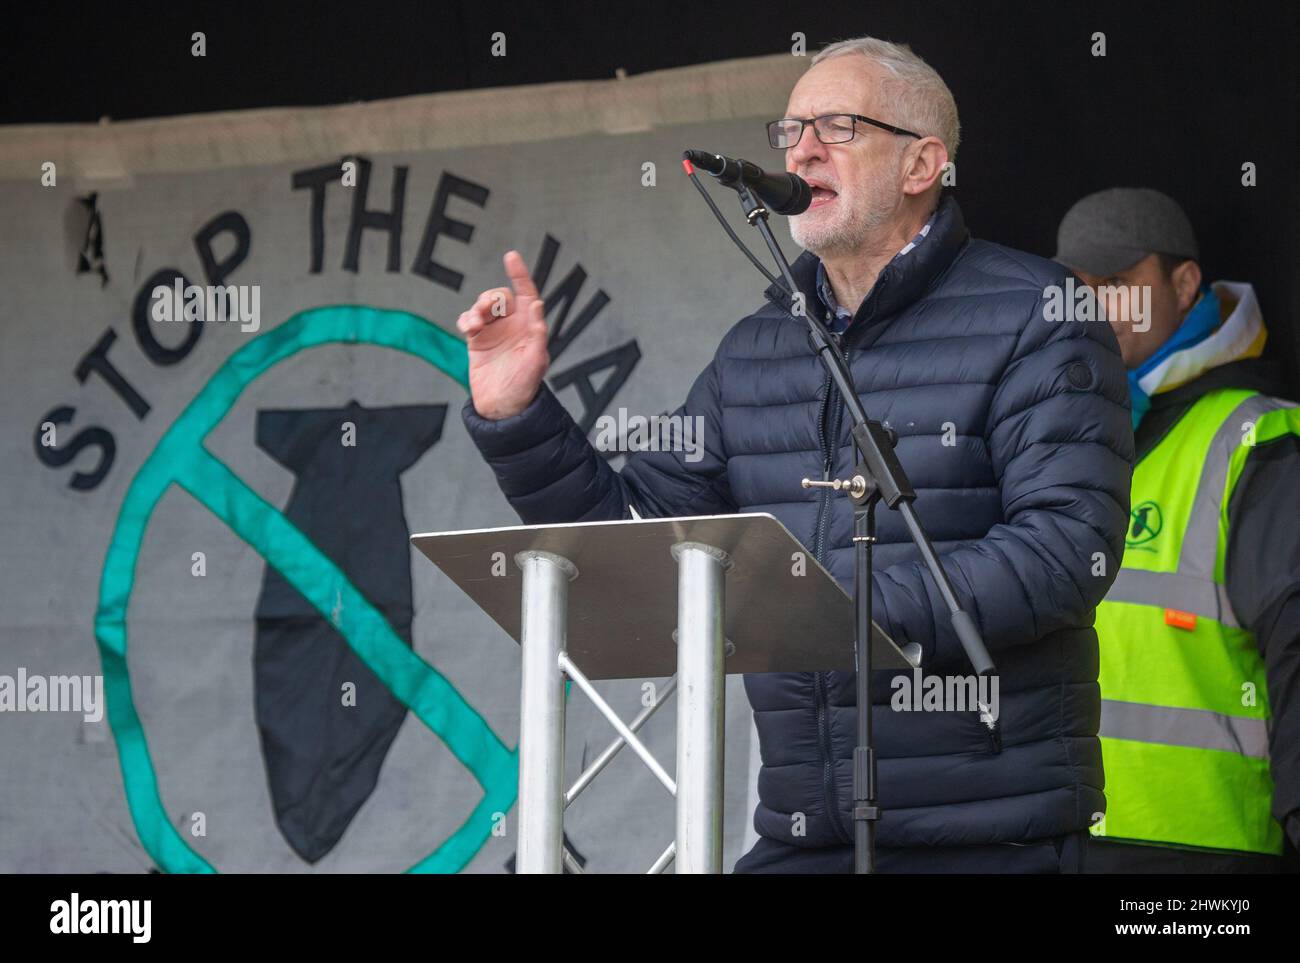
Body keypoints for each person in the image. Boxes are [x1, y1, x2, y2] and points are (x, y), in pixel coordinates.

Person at [457, 36, 1132, 873]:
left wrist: (833, 606)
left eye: (839, 126)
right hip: (801, 832)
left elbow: (1068, 549)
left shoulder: (1038, 313)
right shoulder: (757, 350)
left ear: (923, 164)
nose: (802, 149)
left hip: (990, 833)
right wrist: (519, 412)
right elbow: (627, 544)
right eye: (791, 130)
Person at [1054, 187, 1300, 873]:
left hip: (1208, 861)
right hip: (1065, 842)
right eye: (1079, 288)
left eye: (1119, 283)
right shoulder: (1054, 436)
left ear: (1185, 284)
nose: (1097, 307)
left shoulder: (1256, 438)